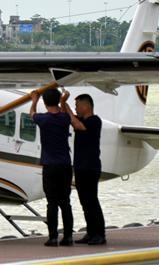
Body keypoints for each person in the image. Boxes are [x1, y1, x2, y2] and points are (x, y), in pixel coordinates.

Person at [30, 87, 74, 247]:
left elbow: (32, 114)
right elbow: (64, 112)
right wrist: (63, 101)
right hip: (65, 165)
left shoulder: (43, 119)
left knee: (52, 203)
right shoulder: (64, 118)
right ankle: (68, 237)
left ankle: (53, 237)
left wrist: (34, 100)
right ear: (58, 101)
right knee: (65, 202)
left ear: (44, 102)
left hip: (50, 165)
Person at [62, 91, 106, 245]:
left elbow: (77, 125)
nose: (76, 109)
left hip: (91, 167)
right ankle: (91, 232)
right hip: (80, 166)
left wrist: (65, 104)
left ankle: (100, 234)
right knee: (84, 201)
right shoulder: (80, 119)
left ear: (86, 106)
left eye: (77, 106)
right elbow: (70, 118)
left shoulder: (94, 121)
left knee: (92, 200)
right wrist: (63, 103)